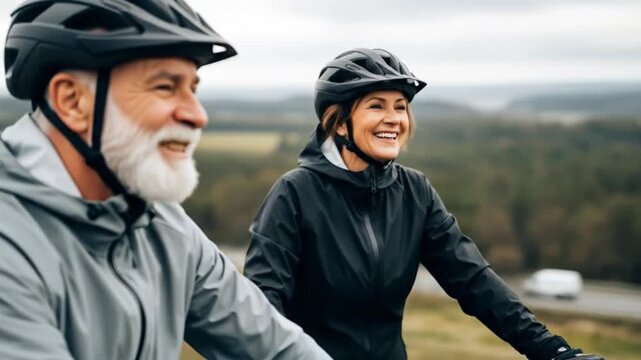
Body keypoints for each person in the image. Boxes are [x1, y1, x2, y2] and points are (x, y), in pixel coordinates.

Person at [0, 0, 331, 359]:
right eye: (164, 87)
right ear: (72, 100)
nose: (197, 114)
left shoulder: (162, 222)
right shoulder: (11, 244)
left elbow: (276, 347)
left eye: (193, 89)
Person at [244, 48, 604, 360]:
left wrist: (550, 349)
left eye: (400, 107)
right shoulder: (295, 194)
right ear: (340, 124)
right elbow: (263, 305)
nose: (394, 118)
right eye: (376, 105)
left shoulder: (414, 191)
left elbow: (473, 280)